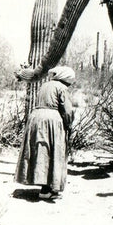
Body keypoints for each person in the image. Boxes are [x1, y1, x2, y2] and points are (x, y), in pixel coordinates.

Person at [15, 66, 76, 200]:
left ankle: (43, 186)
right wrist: (68, 124)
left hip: (35, 117)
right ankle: (47, 189)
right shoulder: (61, 87)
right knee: (53, 152)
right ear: (66, 78)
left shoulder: (45, 85)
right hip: (51, 120)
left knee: (40, 151)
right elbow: (67, 111)